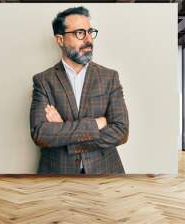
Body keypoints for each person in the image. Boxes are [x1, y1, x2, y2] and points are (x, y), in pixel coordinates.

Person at [29, 6, 129, 174]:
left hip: (105, 171)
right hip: (57, 173)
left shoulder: (109, 77)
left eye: (90, 32)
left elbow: (121, 131)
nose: (88, 39)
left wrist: (63, 131)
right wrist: (96, 124)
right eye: (80, 33)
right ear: (60, 40)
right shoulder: (43, 81)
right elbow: (41, 134)